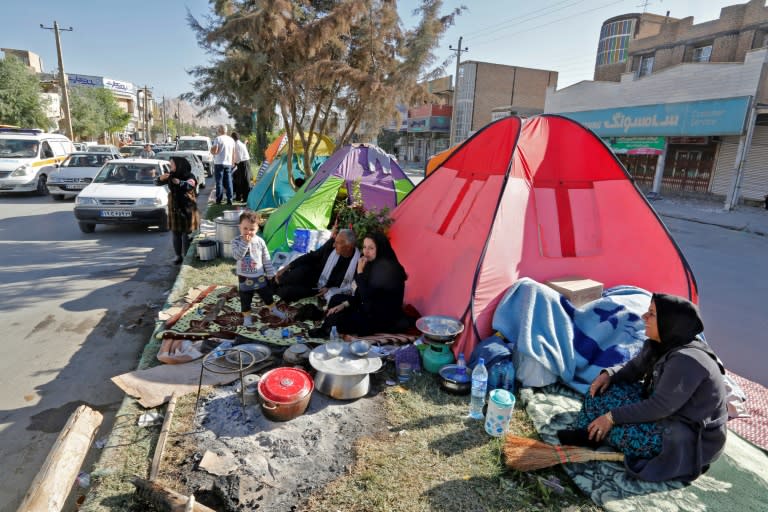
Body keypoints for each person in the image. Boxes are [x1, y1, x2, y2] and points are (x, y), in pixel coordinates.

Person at [557, 293, 728, 483]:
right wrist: (610, 374)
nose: (644, 317)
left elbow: (659, 407)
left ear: (669, 322)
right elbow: (633, 369)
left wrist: (611, 418)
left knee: (619, 431)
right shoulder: (662, 344)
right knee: (600, 391)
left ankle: (594, 432)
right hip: (662, 411)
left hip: (685, 434)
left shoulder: (687, 360)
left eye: (652, 314)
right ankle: (593, 433)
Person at [308, 231, 408, 338]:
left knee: (341, 320)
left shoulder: (389, 270)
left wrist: (360, 272)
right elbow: (360, 296)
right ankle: (327, 328)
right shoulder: (372, 264)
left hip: (382, 317)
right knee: (336, 299)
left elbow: (367, 298)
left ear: (380, 249)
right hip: (369, 307)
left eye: (371, 248)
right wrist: (344, 305)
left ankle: (328, 329)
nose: (366, 252)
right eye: (364, 247)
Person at [274, 227, 359, 303]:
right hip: (314, 277)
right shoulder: (331, 245)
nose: (334, 245)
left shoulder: (357, 262)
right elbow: (312, 256)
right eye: (335, 241)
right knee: (291, 275)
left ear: (348, 246)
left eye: (337, 243)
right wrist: (286, 267)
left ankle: (278, 290)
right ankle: (274, 283)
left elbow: (350, 287)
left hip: (323, 290)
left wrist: (329, 289)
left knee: (286, 292)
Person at [231, 211, 286, 325]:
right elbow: (238, 256)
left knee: (267, 294)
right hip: (244, 277)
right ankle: (247, 316)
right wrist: (245, 243)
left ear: (257, 229)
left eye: (252, 229)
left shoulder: (260, 241)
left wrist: (270, 273)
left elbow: (266, 258)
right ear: (239, 227)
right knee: (245, 298)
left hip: (259, 275)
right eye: (245, 228)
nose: (248, 232)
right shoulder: (236, 241)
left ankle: (273, 309)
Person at [155, 156, 199, 264]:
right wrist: (160, 178)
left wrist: (179, 182)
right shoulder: (171, 175)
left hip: (187, 206)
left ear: (179, 165)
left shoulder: (189, 175)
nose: (170, 167)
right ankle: (178, 256)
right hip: (174, 207)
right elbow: (157, 182)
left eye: (172, 164)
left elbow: (190, 185)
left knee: (186, 233)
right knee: (175, 233)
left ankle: (187, 256)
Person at [210, 125, 236, 205]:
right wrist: (233, 162)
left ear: (220, 130)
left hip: (219, 163)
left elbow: (215, 150)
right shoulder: (231, 140)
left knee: (219, 182)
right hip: (228, 163)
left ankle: (219, 199)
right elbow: (233, 152)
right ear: (226, 131)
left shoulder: (218, 139)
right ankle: (230, 199)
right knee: (229, 182)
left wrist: (212, 151)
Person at [231, 132, 251, 202]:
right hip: (243, 162)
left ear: (233, 138)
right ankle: (240, 197)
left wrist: (234, 163)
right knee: (241, 180)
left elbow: (239, 158)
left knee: (245, 181)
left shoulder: (237, 145)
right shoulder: (239, 143)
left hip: (243, 163)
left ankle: (246, 198)